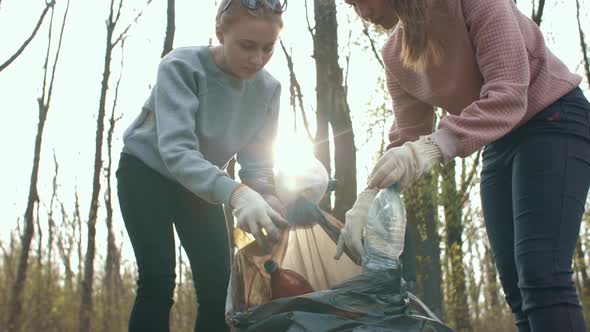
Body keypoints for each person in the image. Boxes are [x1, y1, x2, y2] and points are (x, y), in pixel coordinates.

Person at [335, 0, 590, 331]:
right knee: (517, 289)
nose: (361, 13)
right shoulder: (394, 56)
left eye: (360, 0)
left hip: (552, 119)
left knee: (541, 275)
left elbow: (509, 94)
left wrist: (431, 147)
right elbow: (408, 139)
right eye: (351, 6)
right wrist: (366, 200)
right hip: (498, 141)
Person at [116, 0, 288, 331]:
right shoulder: (181, 66)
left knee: (219, 289)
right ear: (220, 32)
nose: (257, 59)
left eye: (268, 48)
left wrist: (266, 197)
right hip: (145, 174)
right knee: (157, 281)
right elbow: (177, 152)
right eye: (247, 46)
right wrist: (238, 195)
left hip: (202, 186)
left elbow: (257, 165)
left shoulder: (269, 90)